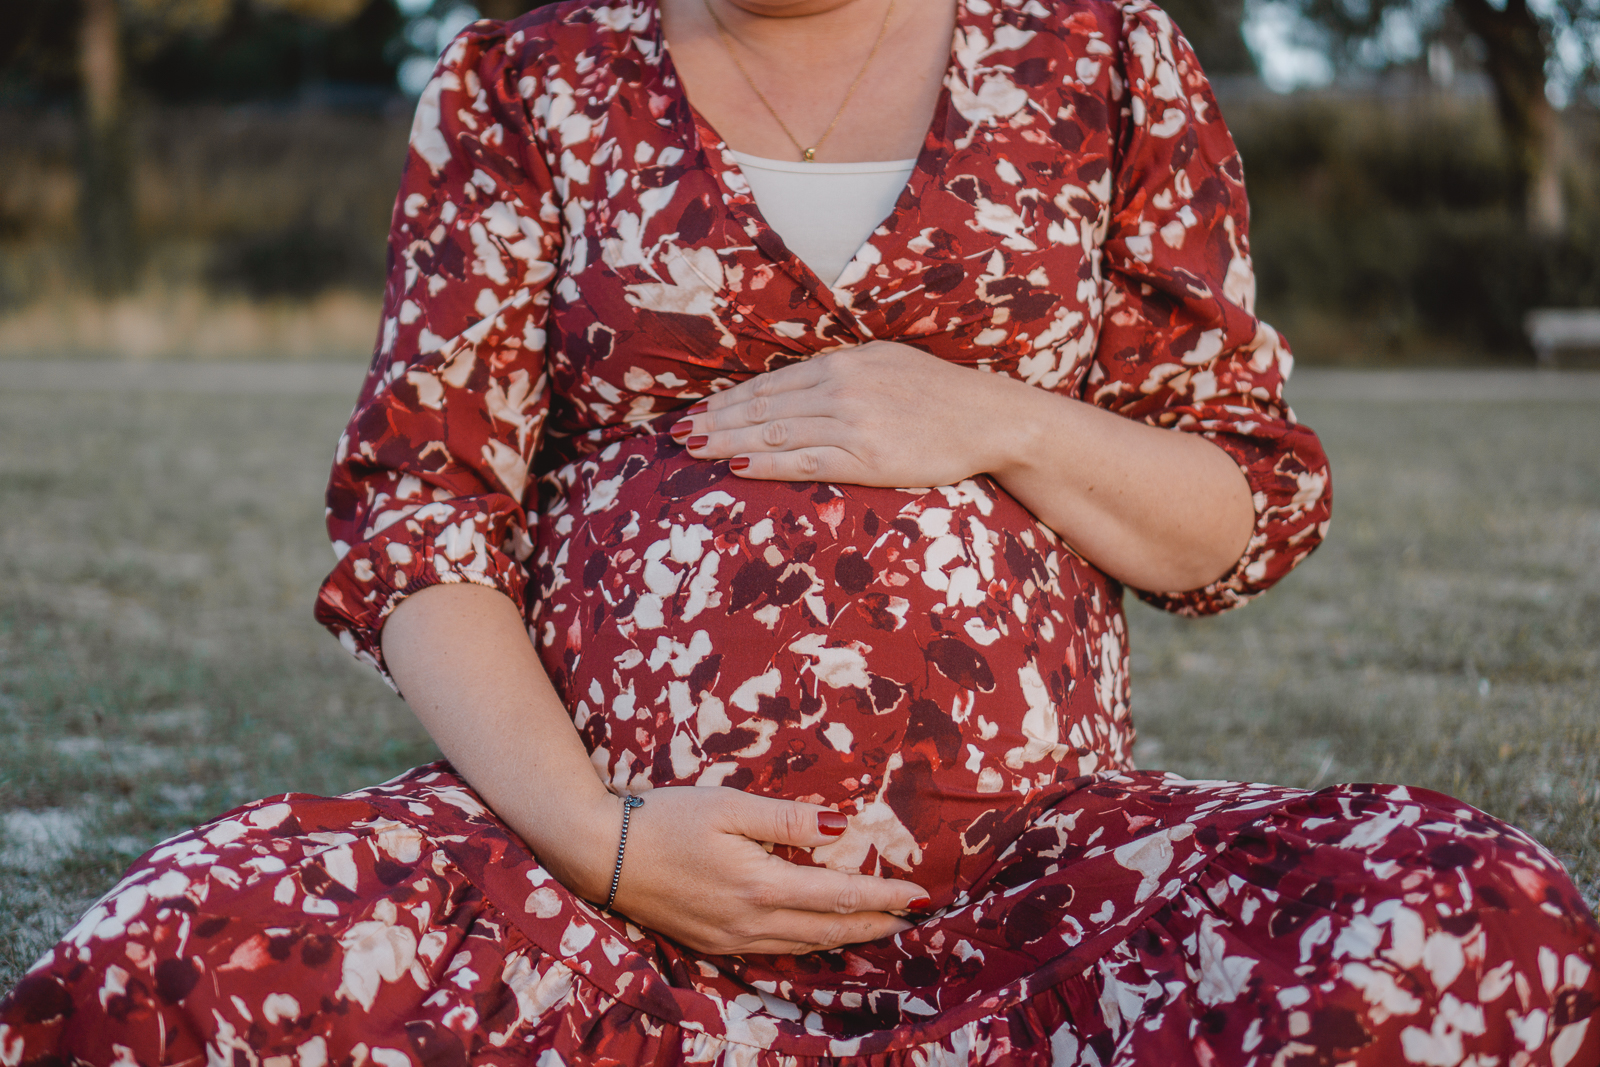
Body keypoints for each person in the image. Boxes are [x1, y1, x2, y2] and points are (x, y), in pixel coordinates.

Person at [4, 0, 1598, 1063]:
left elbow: (1233, 517)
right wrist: (605, 841)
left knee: (1477, 920)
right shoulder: (527, 78)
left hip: (1033, 895)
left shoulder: (1103, 61)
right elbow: (422, 517)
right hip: (580, 884)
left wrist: (999, 416)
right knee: (181, 962)